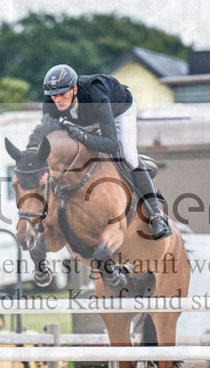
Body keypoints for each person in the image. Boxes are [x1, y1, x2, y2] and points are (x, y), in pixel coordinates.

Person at [30, 63, 171, 240]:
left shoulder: (97, 96)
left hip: (118, 111)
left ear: (74, 90)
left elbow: (112, 145)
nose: (57, 100)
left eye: (62, 95)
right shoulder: (50, 103)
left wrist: (83, 137)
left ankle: (156, 214)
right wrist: (32, 152)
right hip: (83, 119)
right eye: (53, 96)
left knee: (128, 156)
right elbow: (45, 133)